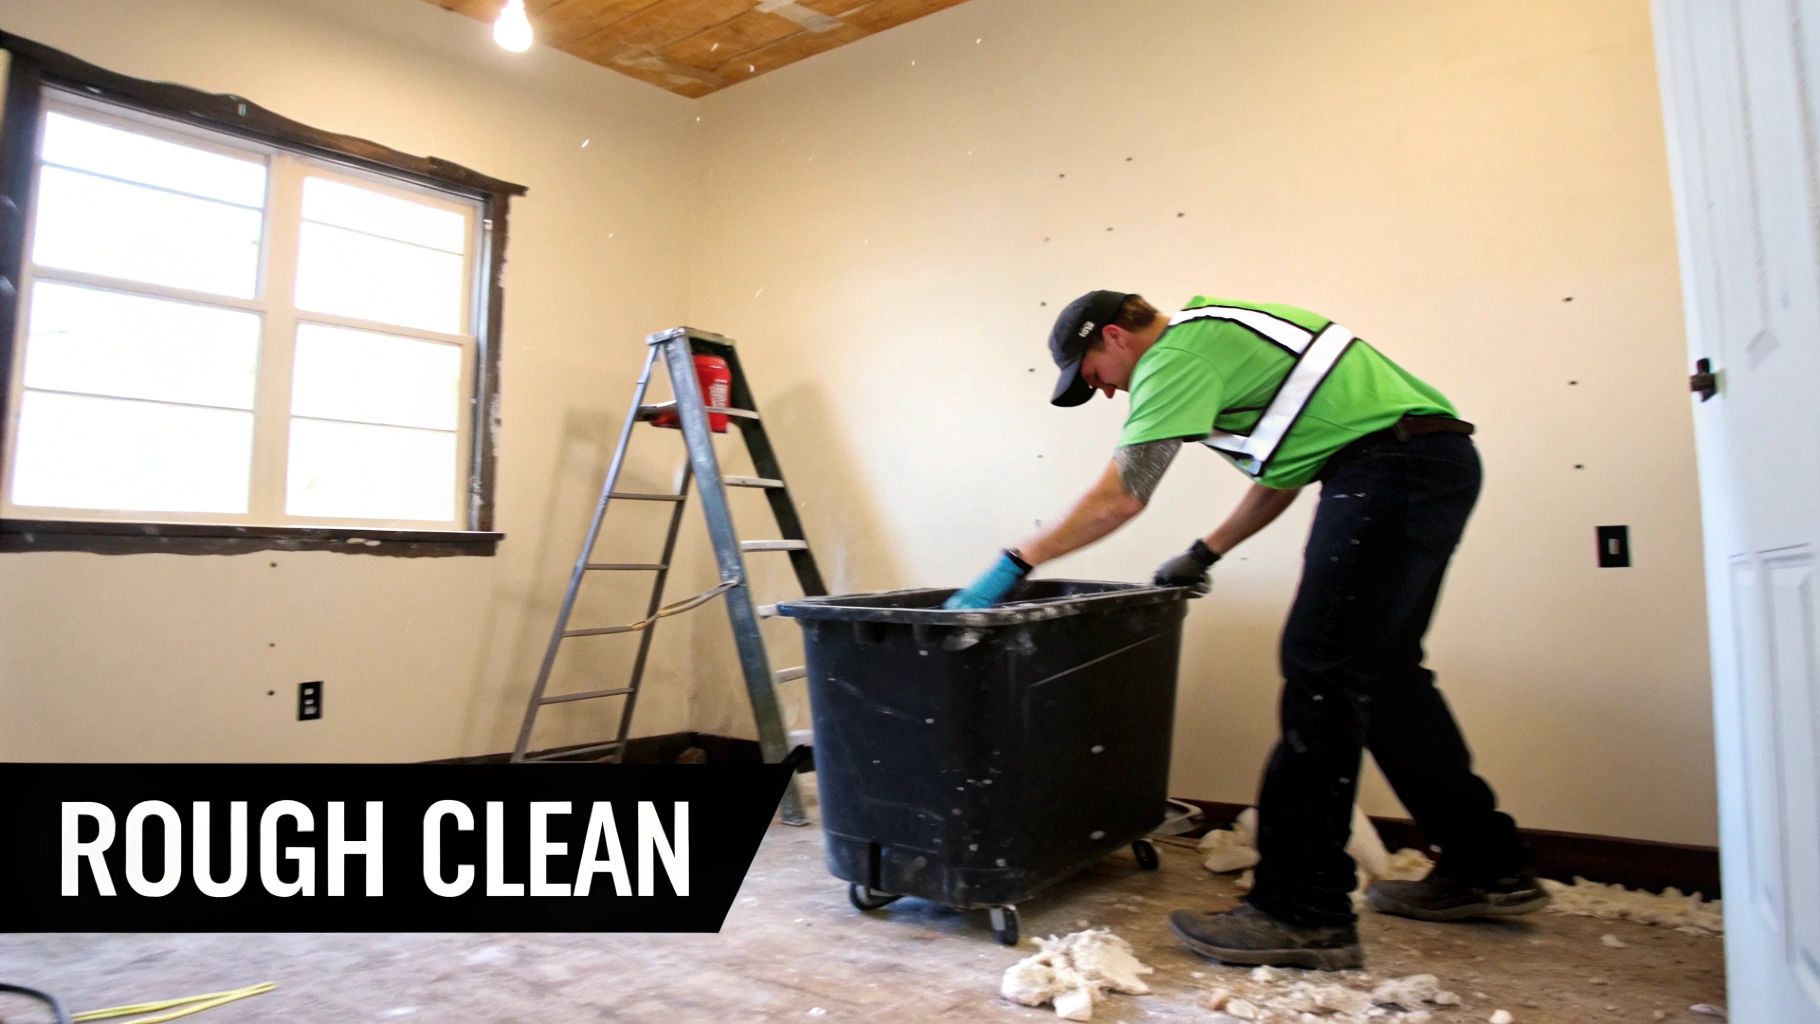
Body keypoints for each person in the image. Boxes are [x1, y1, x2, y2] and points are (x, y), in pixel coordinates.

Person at [946, 290, 1546, 970]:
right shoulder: (1218, 337)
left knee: (1322, 672)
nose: (1108, 393)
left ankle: (1301, 911)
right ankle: (1488, 868)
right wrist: (1208, 550)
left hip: (1391, 470)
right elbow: (1287, 469)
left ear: (1114, 336)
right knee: (1385, 677)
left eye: (1093, 376)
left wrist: (1013, 563)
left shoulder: (1173, 357)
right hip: (1424, 463)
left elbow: (1122, 495)